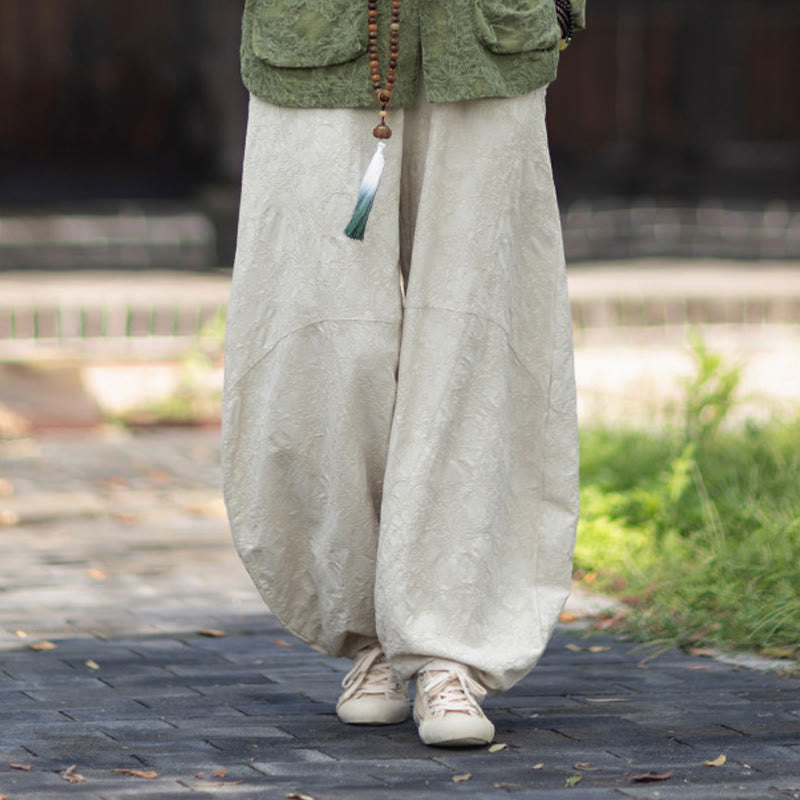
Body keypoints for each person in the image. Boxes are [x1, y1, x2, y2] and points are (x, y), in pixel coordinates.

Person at [222, 0, 586, 748]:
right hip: (312, 35)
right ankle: (372, 634)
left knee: (476, 341)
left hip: (484, 32)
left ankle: (450, 646)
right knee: (318, 344)